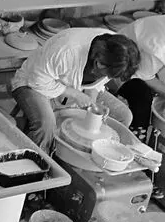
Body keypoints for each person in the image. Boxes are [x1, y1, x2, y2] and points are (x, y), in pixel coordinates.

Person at [11, 28, 141, 152]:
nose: (107, 78)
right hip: (34, 83)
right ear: (98, 63)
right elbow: (37, 81)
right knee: (46, 125)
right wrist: (76, 95)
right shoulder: (66, 50)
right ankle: (40, 165)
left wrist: (92, 105)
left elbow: (96, 85)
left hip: (77, 89)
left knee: (124, 116)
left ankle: (85, 160)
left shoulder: (117, 53)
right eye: (107, 74)